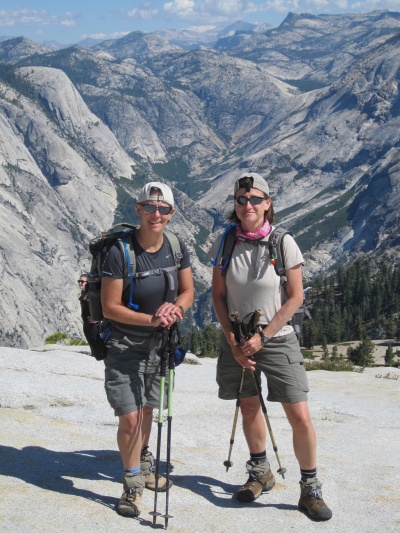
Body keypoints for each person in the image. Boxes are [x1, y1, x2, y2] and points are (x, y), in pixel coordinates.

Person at [209, 172, 332, 521]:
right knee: (249, 407)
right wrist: (233, 341)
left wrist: (262, 337)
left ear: (267, 204)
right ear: (235, 204)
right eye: (241, 200)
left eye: (255, 199)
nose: (247, 205)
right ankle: (259, 472)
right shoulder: (226, 242)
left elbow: (295, 298)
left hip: (277, 339)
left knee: (299, 416)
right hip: (238, 340)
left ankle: (310, 488)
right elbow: (218, 296)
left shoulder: (283, 242)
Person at [100, 182, 194, 518]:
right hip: (125, 345)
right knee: (130, 417)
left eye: (163, 209)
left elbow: (187, 291)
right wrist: (151, 319)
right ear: (138, 209)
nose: (156, 214)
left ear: (171, 213)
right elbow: (110, 307)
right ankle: (132, 483)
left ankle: (142, 461)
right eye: (150, 207)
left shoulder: (175, 245)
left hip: (160, 345)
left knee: (148, 411)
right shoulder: (120, 252)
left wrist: (174, 310)